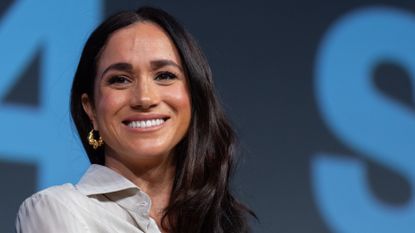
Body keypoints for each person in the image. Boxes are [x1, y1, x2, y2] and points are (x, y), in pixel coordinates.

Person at [16, 6, 253, 233]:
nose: (144, 98)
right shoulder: (59, 209)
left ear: (194, 97)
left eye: (165, 76)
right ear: (91, 109)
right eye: (120, 79)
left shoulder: (222, 223)